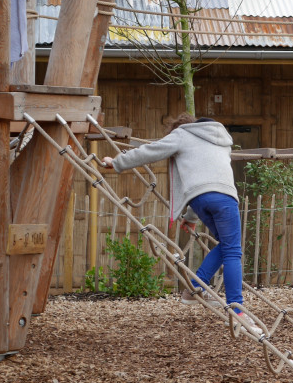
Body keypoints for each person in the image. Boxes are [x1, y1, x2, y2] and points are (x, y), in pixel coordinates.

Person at [101, 114, 260, 335]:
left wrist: (116, 162)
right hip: (224, 198)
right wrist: (191, 218)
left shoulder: (183, 135)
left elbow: (152, 152)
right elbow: (213, 177)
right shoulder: (222, 140)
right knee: (232, 250)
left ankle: (194, 288)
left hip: (199, 200)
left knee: (226, 246)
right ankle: (237, 310)